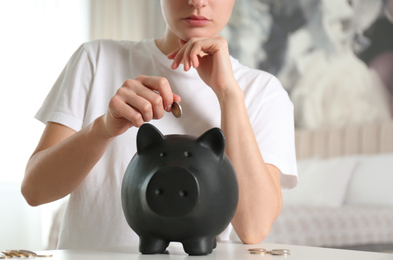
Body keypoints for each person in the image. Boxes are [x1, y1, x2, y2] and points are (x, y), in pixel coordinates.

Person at [21, 0, 298, 249]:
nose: (197, 2)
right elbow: (34, 190)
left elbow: (254, 228)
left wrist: (228, 94)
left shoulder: (263, 92)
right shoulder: (96, 59)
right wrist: (103, 129)